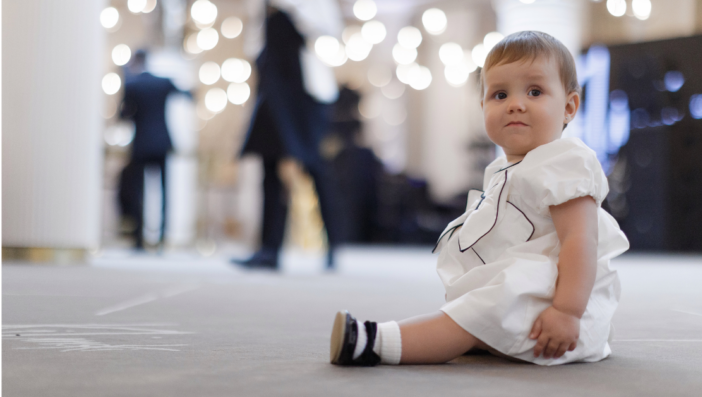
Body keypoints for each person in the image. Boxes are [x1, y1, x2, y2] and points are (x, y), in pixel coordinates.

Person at [329, 31, 630, 366]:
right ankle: (475, 332)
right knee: (470, 313)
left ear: (569, 107)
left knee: (471, 317)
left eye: (535, 91)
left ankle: (373, 342)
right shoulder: (505, 168)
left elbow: (580, 240)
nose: (516, 103)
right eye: (499, 94)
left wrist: (567, 312)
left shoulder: (565, 161)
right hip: (524, 293)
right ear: (483, 105)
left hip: (554, 312)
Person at [233, 0, 344, 270]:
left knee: (314, 168)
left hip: (303, 91)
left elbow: (329, 30)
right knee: (268, 166)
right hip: (272, 88)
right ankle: (268, 250)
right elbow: (255, 41)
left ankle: (333, 246)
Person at [119, 50, 191, 249]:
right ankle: (162, 238)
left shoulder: (132, 85)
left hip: (141, 144)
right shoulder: (163, 82)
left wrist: (124, 77)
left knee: (138, 191)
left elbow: (123, 115)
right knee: (164, 191)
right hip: (161, 143)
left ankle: (139, 239)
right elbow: (188, 95)